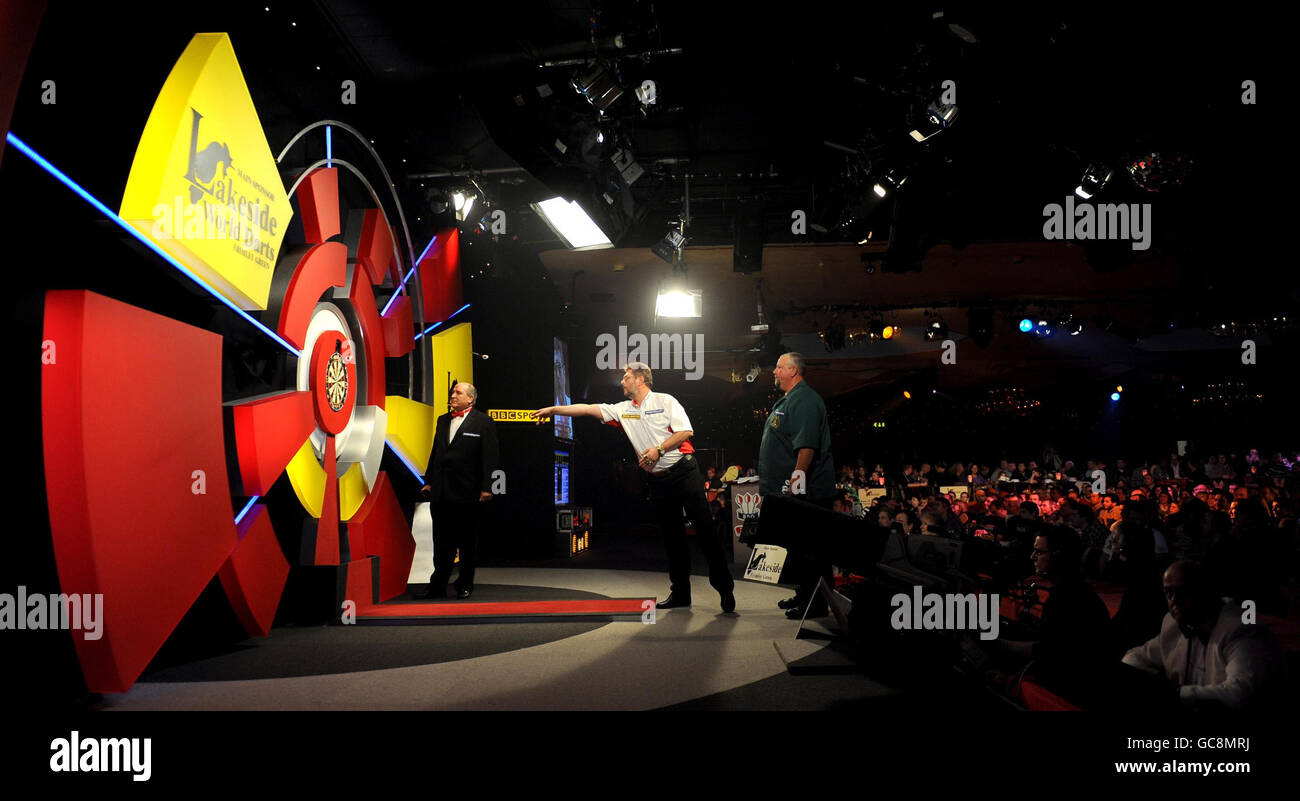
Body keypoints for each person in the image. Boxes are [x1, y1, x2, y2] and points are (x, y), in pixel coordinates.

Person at [533, 362, 735, 612]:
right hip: (659, 481)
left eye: (626, 377)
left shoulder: (665, 400)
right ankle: (681, 593)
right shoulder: (621, 409)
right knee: (672, 538)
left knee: (705, 531)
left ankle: (725, 588)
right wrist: (554, 409)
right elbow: (586, 409)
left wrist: (658, 449)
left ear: (640, 380)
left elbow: (685, 432)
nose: (622, 382)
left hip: (684, 472)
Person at [1121, 560, 1282, 709]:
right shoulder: (1173, 623)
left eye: (1185, 592)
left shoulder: (1241, 630)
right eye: (1169, 593)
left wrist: (1174, 694)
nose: (1174, 601)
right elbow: (1136, 656)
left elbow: (1238, 693)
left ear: (1208, 592)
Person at [759, 352, 836, 619]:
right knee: (800, 548)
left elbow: (807, 446)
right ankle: (805, 594)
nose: (775, 371)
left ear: (793, 370)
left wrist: (797, 482)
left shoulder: (804, 399)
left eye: (779, 367)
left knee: (813, 549)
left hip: (808, 491)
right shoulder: (791, 399)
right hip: (792, 490)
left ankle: (816, 604)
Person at [417, 382, 499, 600]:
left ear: (470, 399)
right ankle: (437, 586)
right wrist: (428, 481)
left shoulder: (483, 422)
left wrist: (486, 488)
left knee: (466, 543)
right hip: (441, 491)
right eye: (452, 392)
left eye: (458, 393)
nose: (453, 395)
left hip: (468, 492)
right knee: (441, 543)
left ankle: (465, 584)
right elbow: (436, 452)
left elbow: (490, 457)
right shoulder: (443, 420)